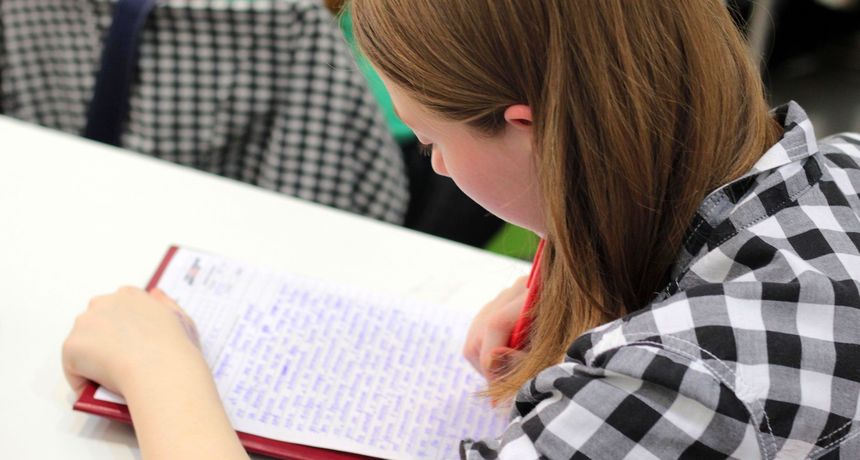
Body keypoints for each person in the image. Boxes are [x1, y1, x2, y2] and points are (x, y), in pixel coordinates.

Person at [61, 0, 860, 458]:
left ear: (528, 128)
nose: (435, 169)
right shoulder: (843, 171)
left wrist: (161, 370)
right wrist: (587, 285)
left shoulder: (665, 389)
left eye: (435, 141)